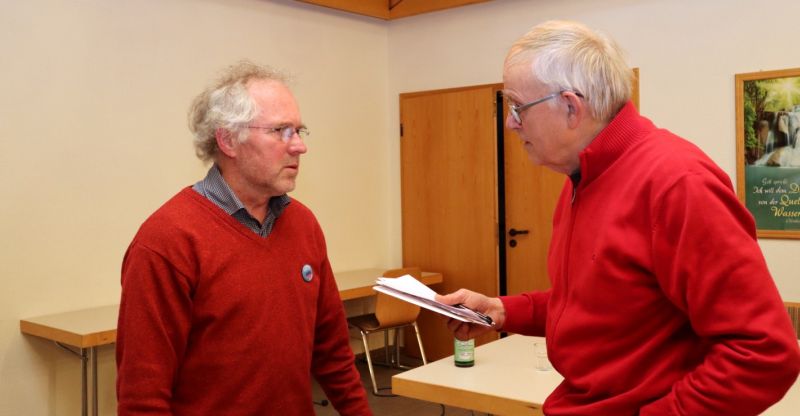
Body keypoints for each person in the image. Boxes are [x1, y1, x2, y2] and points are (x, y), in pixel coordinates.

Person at [437, 20, 800, 416]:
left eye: (517, 106)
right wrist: (500, 310)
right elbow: (597, 306)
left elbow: (762, 353)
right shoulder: (581, 176)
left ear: (571, 107)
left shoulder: (678, 184)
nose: (510, 123)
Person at [116, 61, 372, 415]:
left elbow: (332, 353)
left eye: (299, 130)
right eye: (281, 130)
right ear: (228, 140)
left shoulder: (303, 224)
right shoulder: (167, 241)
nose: (299, 146)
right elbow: (142, 397)